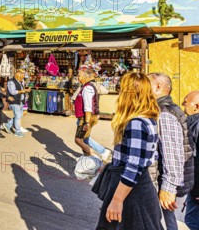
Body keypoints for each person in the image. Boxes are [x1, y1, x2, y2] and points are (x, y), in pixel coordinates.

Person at [95, 72, 162, 229]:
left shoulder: (137, 123)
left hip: (131, 190)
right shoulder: (148, 119)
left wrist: (117, 200)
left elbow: (133, 166)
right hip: (135, 186)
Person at [148, 73, 194, 230]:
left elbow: (172, 155)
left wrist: (168, 189)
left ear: (158, 87)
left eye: (146, 85)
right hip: (164, 181)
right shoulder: (165, 110)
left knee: (163, 223)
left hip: (164, 183)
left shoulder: (165, 113)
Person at [73, 68, 111, 161]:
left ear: (86, 76)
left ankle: (95, 156)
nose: (78, 78)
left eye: (80, 76)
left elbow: (88, 107)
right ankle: (91, 155)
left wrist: (86, 122)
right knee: (85, 138)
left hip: (86, 117)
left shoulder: (87, 88)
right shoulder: (86, 86)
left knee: (78, 140)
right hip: (88, 116)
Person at [182, 90, 199, 229]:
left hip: (197, 190)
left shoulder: (193, 125)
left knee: (192, 222)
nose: (183, 105)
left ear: (196, 106)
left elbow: (196, 160)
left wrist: (197, 190)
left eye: (186, 102)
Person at [2, 70, 30, 138]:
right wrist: (22, 91)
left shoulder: (20, 82)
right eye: (22, 74)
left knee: (19, 116)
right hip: (15, 101)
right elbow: (12, 92)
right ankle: (17, 131)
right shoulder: (11, 81)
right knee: (18, 116)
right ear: (18, 74)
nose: (23, 76)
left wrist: (26, 91)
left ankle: (8, 125)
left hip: (20, 101)